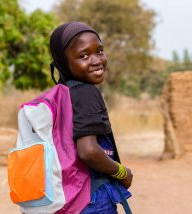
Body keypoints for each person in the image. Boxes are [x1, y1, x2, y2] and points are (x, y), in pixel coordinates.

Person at [49, 21, 133, 213]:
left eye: (100, 51)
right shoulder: (86, 92)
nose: (96, 60)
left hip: (65, 197)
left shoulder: (60, 94)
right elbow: (88, 150)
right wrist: (122, 173)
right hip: (91, 197)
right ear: (63, 61)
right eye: (83, 56)